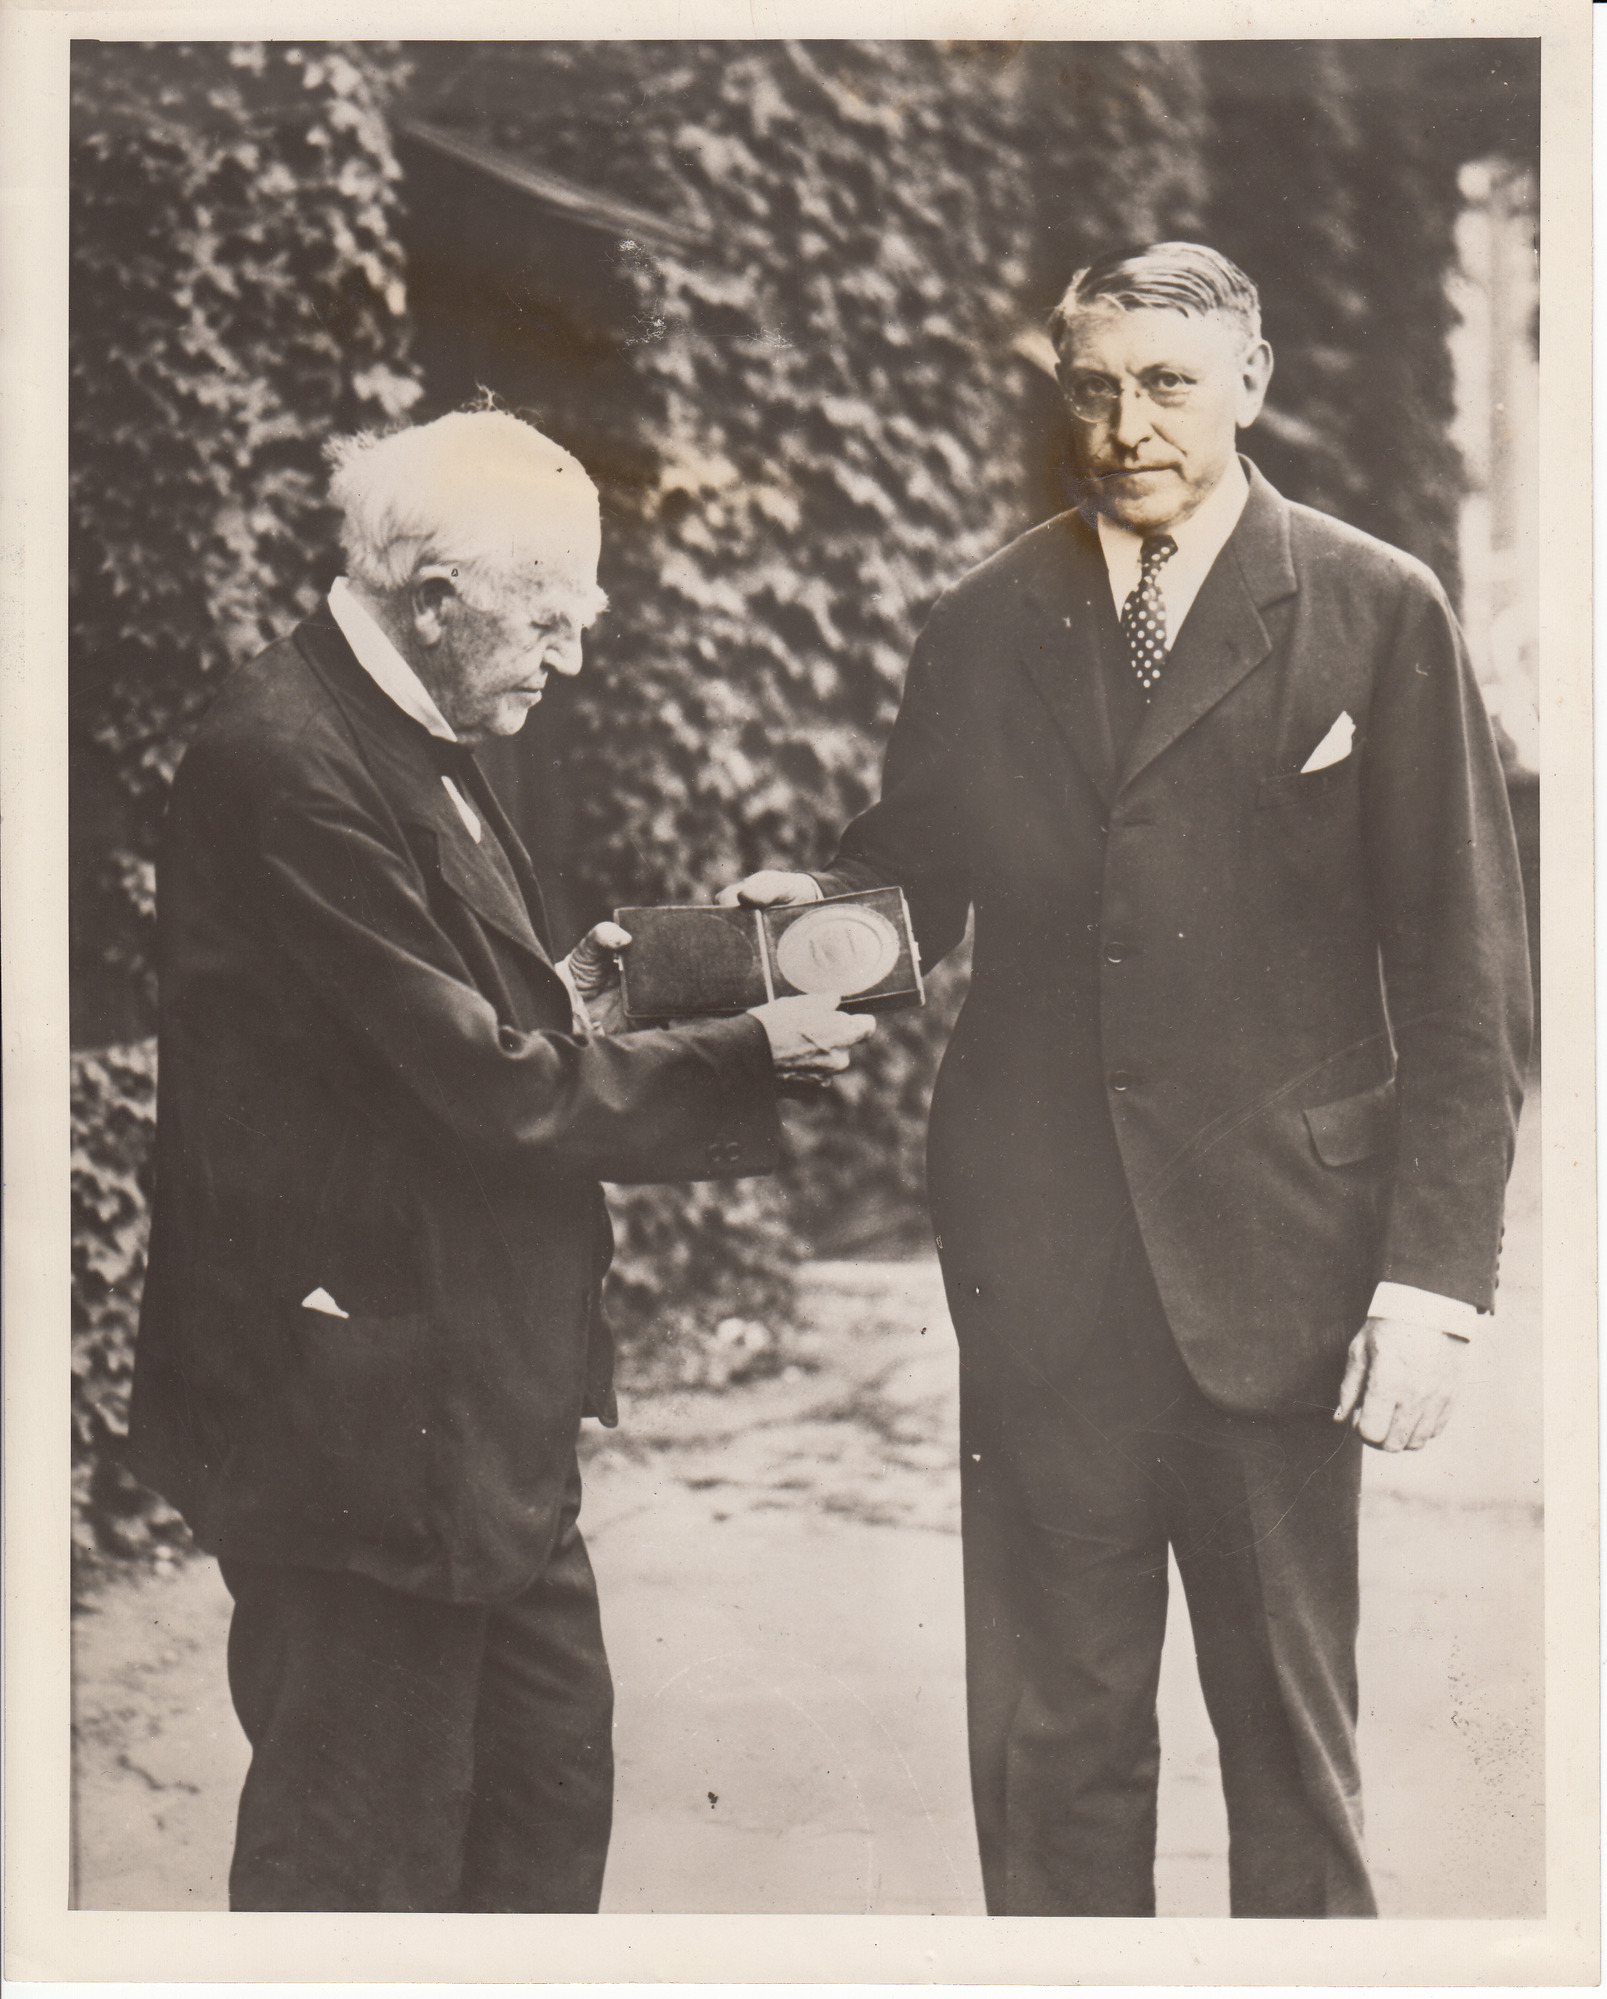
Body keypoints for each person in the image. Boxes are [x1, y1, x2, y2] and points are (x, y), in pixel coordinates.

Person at [721, 243, 1531, 1917]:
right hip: (1045, 1279)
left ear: (1251, 384)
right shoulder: (985, 618)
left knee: (1293, 1770)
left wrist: (1432, 1286)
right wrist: (806, 932)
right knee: (1052, 1758)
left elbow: (1465, 983)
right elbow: (917, 892)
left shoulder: (1379, 611)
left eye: (1166, 382)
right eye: (1092, 386)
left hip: (1283, 1286)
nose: (1127, 423)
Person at [127, 408, 874, 1912]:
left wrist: (627, 980)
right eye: (552, 620)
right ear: (437, 600)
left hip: (475, 1425)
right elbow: (476, 1087)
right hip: (357, 1430)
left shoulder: (402, 726)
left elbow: (435, 1016)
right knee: (361, 1868)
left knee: (542, 1806)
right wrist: (752, 1055)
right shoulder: (289, 762)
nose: (575, 656)